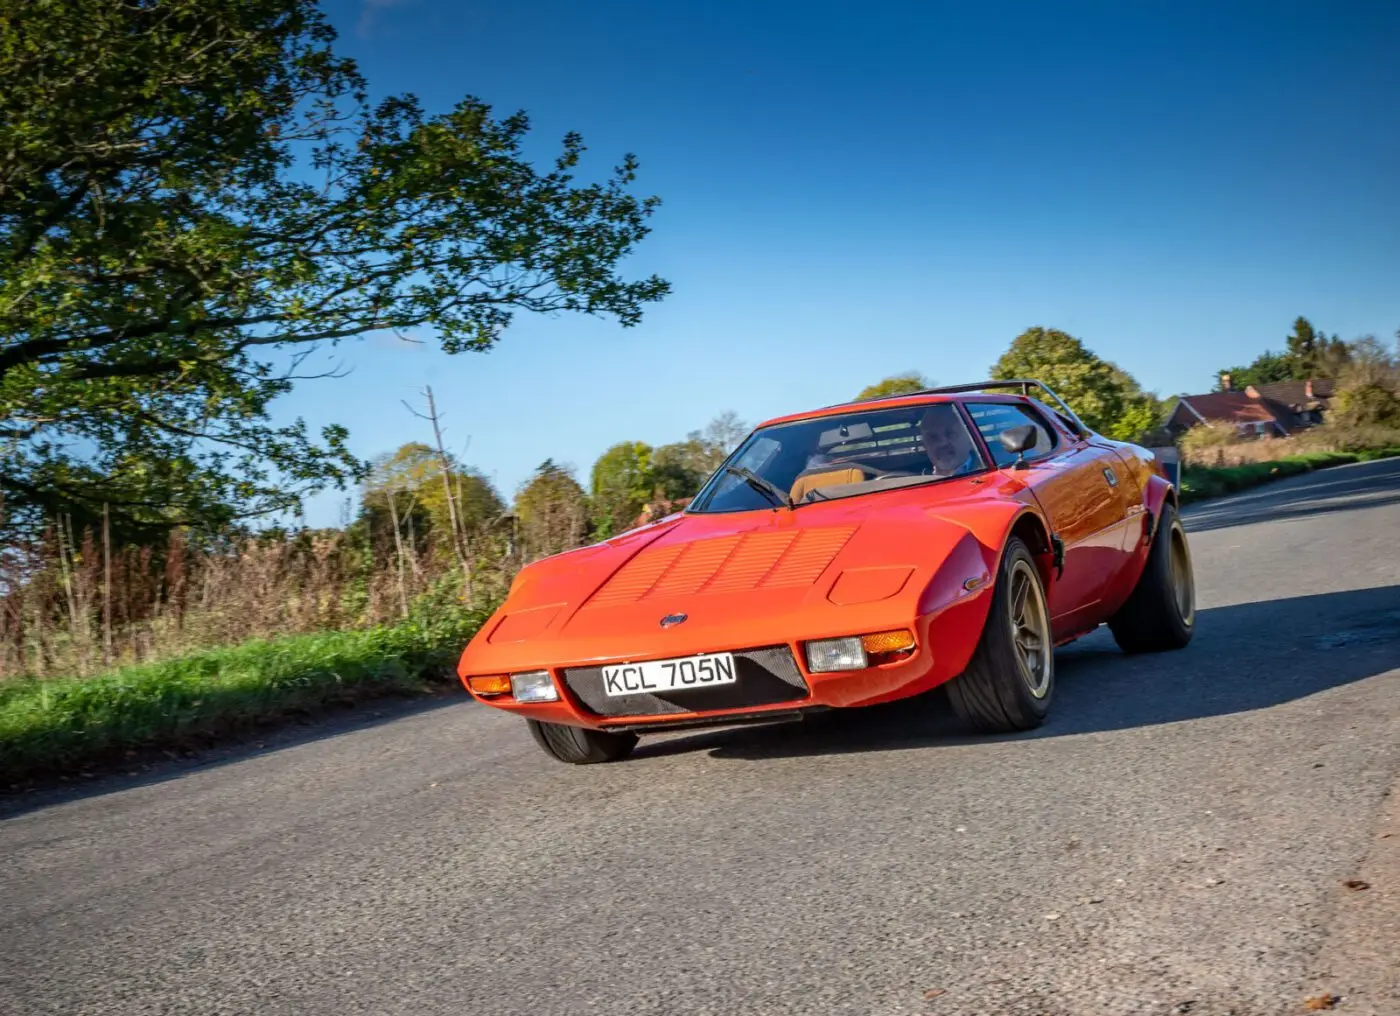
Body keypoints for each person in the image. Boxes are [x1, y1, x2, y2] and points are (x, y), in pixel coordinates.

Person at [918, 405, 982, 476]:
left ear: (970, 438)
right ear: (924, 445)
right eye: (932, 437)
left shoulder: (989, 471)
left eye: (950, 433)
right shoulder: (917, 482)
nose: (942, 443)